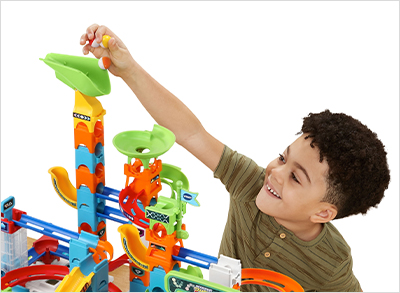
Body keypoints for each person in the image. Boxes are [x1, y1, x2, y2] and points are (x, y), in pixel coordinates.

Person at [80, 24, 390, 292]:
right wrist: (130, 70)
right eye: (283, 158)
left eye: (296, 177)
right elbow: (192, 134)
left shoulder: (332, 260)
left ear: (323, 213)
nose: (276, 173)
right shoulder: (249, 184)